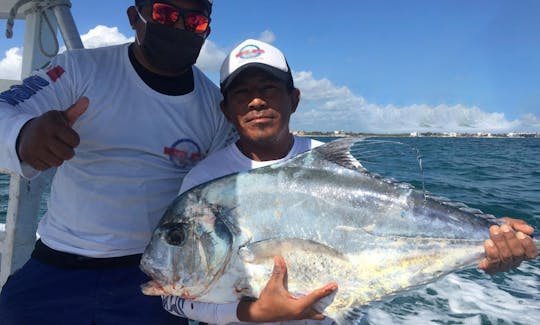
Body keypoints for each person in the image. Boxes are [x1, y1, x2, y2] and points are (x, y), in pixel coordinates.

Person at [161, 39, 539, 325]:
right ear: (226, 109)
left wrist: (489, 248)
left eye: (269, 88)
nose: (256, 101)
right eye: (242, 92)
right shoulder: (206, 181)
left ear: (294, 99)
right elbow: (174, 300)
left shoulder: (328, 162)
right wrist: (255, 311)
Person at [0, 1, 236, 324]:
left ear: (206, 31)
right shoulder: (80, 70)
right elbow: (5, 109)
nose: (179, 27)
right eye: (165, 14)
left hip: (153, 274)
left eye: (193, 22)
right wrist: (22, 134)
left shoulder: (214, 108)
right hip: (55, 268)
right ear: (133, 18)